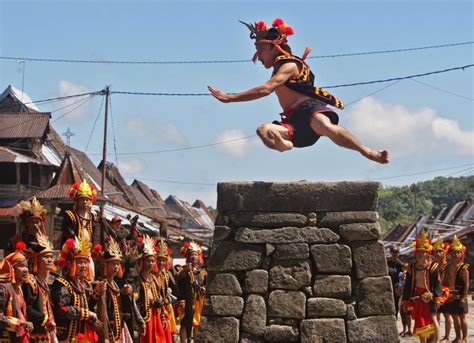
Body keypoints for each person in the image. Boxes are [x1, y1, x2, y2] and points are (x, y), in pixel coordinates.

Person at [208, 18, 389, 164]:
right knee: (263, 130)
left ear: (275, 47)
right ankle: (284, 144)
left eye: (260, 49)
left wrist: (231, 98)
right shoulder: (279, 67)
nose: (258, 55)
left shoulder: (288, 65)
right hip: (293, 122)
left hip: (311, 110)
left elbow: (266, 89)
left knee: (323, 125)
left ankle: (367, 152)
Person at [51, 236, 102, 342]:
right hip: (66, 338)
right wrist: (87, 314)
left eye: (85, 262)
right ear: (69, 264)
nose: (83, 266)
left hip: (81, 337)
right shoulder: (62, 284)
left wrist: (97, 292)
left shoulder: (81, 284)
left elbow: (87, 306)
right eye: (79, 262)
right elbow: (62, 309)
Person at [401, 229, 444, 343]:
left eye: (423, 252)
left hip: (430, 295)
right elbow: (408, 284)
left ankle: (437, 341)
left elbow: (437, 284)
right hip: (417, 297)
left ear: (427, 253)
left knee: (433, 318)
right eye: (419, 252)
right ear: (416, 253)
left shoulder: (433, 267)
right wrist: (405, 300)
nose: (421, 254)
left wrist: (437, 298)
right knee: (420, 321)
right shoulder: (412, 267)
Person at [98, 237, 139, 343]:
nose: (116, 267)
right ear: (105, 265)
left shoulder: (117, 284)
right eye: (113, 264)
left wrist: (127, 293)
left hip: (118, 328)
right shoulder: (100, 284)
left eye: (117, 264)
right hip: (107, 330)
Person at [22, 232, 57, 342]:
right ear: (36, 259)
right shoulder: (30, 281)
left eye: (51, 257)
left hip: (46, 335)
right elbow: (26, 308)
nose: (50, 260)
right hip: (35, 336)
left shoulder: (45, 283)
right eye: (46, 257)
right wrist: (46, 319)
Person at [135, 235, 166, 343]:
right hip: (145, 316)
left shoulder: (153, 278)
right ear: (143, 262)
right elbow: (136, 300)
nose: (151, 264)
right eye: (148, 261)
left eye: (153, 261)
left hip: (155, 315)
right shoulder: (138, 280)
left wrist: (163, 316)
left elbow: (158, 296)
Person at [0, 243, 33, 342]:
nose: (26, 270)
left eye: (26, 266)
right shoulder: (3, 288)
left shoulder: (19, 288)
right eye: (21, 266)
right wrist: (19, 323)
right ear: (12, 268)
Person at [176, 241, 207, 343]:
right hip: (185, 300)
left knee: (197, 323)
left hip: (198, 301)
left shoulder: (202, 271)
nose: (194, 257)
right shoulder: (181, 269)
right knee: (184, 323)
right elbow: (178, 281)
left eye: (195, 254)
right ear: (188, 257)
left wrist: (204, 289)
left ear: (199, 256)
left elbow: (206, 284)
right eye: (191, 255)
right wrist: (186, 271)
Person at [443, 235, 469, 343]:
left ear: (462, 254)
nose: (456, 254)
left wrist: (464, 297)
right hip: (450, 295)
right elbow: (446, 280)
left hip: (460, 295)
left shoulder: (464, 268)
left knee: (462, 316)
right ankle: (458, 337)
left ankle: (465, 338)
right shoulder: (448, 267)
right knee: (454, 316)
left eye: (458, 252)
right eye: (454, 252)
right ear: (450, 254)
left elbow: (466, 284)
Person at [61, 179, 100, 245]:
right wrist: (78, 244)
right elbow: (67, 232)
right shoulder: (70, 215)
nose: (85, 202)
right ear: (77, 201)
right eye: (82, 199)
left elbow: (95, 237)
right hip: (73, 251)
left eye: (87, 199)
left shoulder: (93, 217)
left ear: (90, 201)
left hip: (88, 251)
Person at [153, 238, 177, 343]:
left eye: (163, 260)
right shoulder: (151, 276)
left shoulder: (166, 275)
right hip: (155, 309)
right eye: (159, 260)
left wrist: (167, 299)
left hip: (165, 308)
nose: (161, 262)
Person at [431, 238, 451, 343]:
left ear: (444, 253)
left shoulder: (447, 266)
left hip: (446, 292)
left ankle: (447, 336)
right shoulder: (432, 266)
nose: (438, 254)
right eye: (436, 252)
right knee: (436, 315)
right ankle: (436, 337)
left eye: (440, 251)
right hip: (436, 292)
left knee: (447, 314)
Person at [387, 245, 404, 319]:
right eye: (393, 252)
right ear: (390, 252)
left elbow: (402, 277)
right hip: (386, 285)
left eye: (396, 252)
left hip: (396, 286)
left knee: (396, 303)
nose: (395, 254)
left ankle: (395, 318)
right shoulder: (386, 262)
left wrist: (399, 286)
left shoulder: (400, 265)